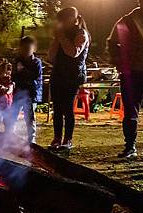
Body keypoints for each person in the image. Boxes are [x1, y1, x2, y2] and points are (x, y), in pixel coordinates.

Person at [107, 0, 143, 158]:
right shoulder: (127, 19)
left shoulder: (128, 19)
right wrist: (119, 61)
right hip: (132, 73)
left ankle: (131, 147)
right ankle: (130, 146)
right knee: (130, 112)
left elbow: (112, 42)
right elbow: (112, 42)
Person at [47, 7, 90, 151]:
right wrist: (56, 39)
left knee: (67, 108)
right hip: (58, 75)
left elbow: (73, 53)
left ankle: (68, 139)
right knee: (57, 109)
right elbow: (51, 56)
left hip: (73, 76)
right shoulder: (61, 35)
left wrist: (62, 38)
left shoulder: (81, 33)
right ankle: (57, 138)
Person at [6, 36, 43, 143]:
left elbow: (36, 76)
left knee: (29, 116)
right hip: (19, 91)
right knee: (13, 113)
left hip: (31, 92)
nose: (25, 50)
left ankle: (31, 138)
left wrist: (23, 70)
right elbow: (14, 76)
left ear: (34, 49)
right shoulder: (17, 61)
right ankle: (9, 135)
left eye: (28, 48)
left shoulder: (36, 62)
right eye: (23, 48)